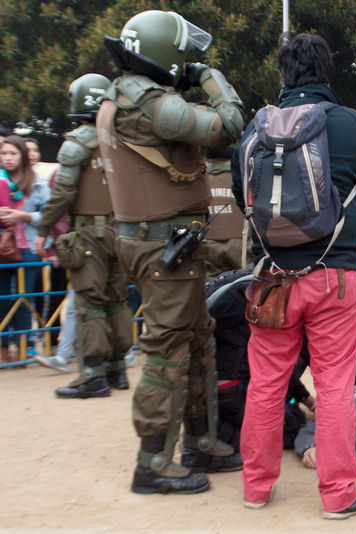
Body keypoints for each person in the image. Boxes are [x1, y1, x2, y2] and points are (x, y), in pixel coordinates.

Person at [233, 32, 356, 519]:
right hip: (335, 275)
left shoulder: (255, 130)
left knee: (266, 382)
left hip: (272, 279)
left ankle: (256, 487)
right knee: (335, 384)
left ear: (283, 74)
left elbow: (244, 200)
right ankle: (339, 496)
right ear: (326, 71)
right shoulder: (353, 124)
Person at [97, 9, 245, 494]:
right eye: (183, 58)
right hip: (165, 247)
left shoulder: (125, 97)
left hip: (165, 243)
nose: (186, 66)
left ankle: (200, 441)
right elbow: (229, 125)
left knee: (198, 338)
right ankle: (153, 461)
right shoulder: (150, 104)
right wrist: (212, 78)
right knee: (167, 349)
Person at [33, 73, 133, 398]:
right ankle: (118, 369)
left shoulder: (77, 141)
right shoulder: (123, 140)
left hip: (88, 235)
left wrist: (43, 229)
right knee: (118, 300)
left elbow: (62, 192)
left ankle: (92, 374)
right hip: (121, 232)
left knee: (90, 303)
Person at [0, 135, 50, 363]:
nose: (8, 158)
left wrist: (24, 215)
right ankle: (3, 349)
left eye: (12, 153)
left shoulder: (38, 183)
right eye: (4, 154)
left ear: (22, 155)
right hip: (2, 248)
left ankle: (24, 348)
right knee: (2, 301)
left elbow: (49, 215)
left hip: (28, 248)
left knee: (25, 299)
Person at [204, 147, 248, 281]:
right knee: (245, 285)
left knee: (210, 292)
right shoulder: (243, 175)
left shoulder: (199, 176)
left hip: (208, 244)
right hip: (241, 244)